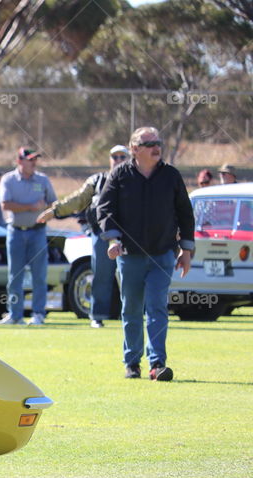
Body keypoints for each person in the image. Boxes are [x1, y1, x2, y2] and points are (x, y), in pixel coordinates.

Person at [97, 126, 195, 381]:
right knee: (131, 309)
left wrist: (186, 249)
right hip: (129, 256)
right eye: (149, 142)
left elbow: (185, 212)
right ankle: (132, 363)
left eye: (158, 141)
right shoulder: (119, 175)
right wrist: (112, 240)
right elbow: (105, 210)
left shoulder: (171, 175)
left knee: (157, 308)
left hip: (162, 254)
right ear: (134, 149)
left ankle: (157, 364)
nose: (156, 146)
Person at [38, 144, 129, 328]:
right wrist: (55, 211)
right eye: (115, 157)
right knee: (101, 275)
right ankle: (97, 315)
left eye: (122, 157)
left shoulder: (136, 180)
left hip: (130, 237)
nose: (118, 160)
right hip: (102, 235)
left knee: (130, 276)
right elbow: (78, 199)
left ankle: (130, 316)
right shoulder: (97, 180)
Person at [0, 147, 56, 325]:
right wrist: (30, 207)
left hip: (38, 231)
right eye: (29, 160)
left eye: (34, 160)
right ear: (20, 161)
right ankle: (15, 315)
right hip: (15, 232)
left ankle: (38, 314)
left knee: (39, 275)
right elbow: (5, 204)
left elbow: (53, 203)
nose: (33, 163)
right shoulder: (8, 180)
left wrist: (45, 209)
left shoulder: (42, 179)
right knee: (15, 275)